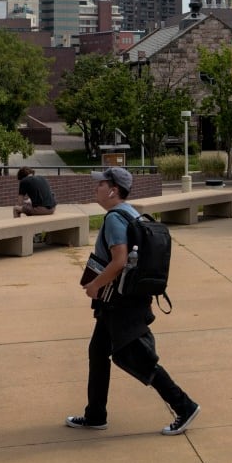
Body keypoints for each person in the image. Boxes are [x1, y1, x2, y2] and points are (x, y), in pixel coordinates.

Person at [67, 167, 201, 436]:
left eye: (101, 184)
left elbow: (119, 261)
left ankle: (184, 405)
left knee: (138, 358)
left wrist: (94, 285)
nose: (97, 188)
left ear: (113, 190)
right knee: (97, 352)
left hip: (120, 304)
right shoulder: (131, 212)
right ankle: (95, 415)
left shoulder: (116, 219)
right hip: (121, 301)